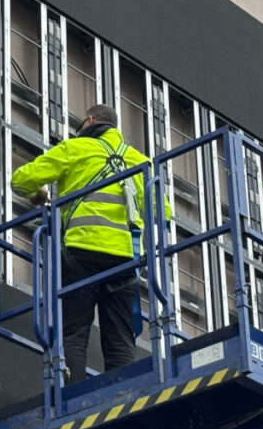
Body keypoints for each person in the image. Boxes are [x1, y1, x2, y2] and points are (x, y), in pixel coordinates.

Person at [11, 104, 162, 383]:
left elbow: (20, 180)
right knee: (120, 335)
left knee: (74, 332)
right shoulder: (141, 161)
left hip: (82, 254)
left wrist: (38, 194)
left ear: (89, 121)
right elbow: (162, 210)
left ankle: (70, 397)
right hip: (126, 258)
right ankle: (123, 395)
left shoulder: (75, 148)